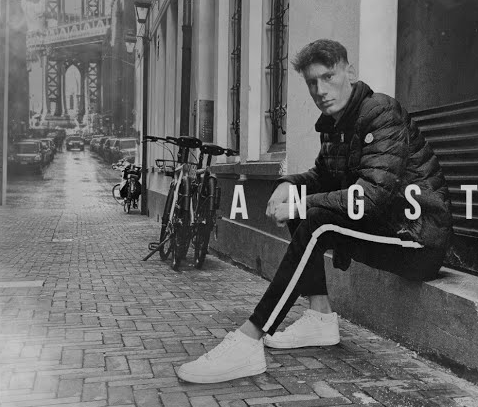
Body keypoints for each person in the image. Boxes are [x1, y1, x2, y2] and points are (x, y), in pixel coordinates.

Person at [176, 39, 453, 383]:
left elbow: (370, 196)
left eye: (328, 77)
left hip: (418, 240)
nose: (320, 90)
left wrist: (301, 202)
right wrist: (289, 184)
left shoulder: (381, 113)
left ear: (350, 73)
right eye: (312, 82)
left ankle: (249, 340)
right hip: (386, 230)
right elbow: (322, 176)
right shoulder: (335, 126)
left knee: (316, 219)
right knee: (304, 209)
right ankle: (320, 317)